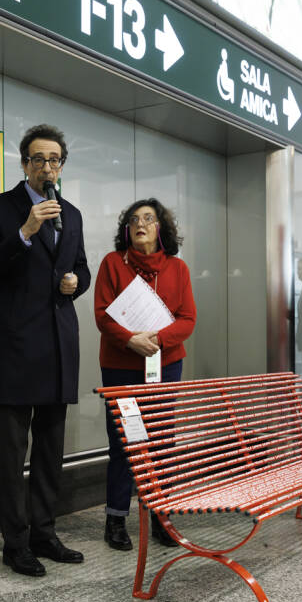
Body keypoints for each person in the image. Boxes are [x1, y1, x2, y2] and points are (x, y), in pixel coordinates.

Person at [0, 124, 91, 578]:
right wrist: (24, 230)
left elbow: (81, 267)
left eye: (55, 159)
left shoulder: (72, 214)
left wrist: (76, 282)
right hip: (19, 346)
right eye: (38, 159)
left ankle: (45, 532)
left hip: (61, 345)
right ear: (23, 163)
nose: (47, 167)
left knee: (50, 451)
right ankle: (15, 543)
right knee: (12, 452)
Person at [93, 199, 196, 551]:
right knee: (125, 442)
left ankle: (160, 517)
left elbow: (188, 319)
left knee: (161, 442)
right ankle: (116, 518)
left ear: (160, 229)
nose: (141, 224)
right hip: (121, 366)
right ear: (127, 229)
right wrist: (130, 340)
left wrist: (156, 341)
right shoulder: (112, 264)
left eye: (148, 219)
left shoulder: (177, 269)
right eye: (134, 219)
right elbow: (103, 315)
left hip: (165, 365)